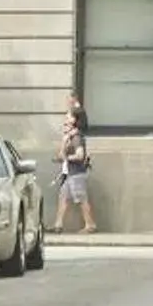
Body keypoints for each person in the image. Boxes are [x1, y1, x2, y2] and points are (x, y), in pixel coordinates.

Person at [55, 93, 95, 235]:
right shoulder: (70, 136)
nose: (66, 120)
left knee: (81, 199)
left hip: (76, 173)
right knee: (64, 197)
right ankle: (58, 224)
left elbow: (80, 155)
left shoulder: (77, 137)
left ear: (75, 120)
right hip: (70, 172)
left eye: (69, 118)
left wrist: (66, 157)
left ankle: (90, 224)